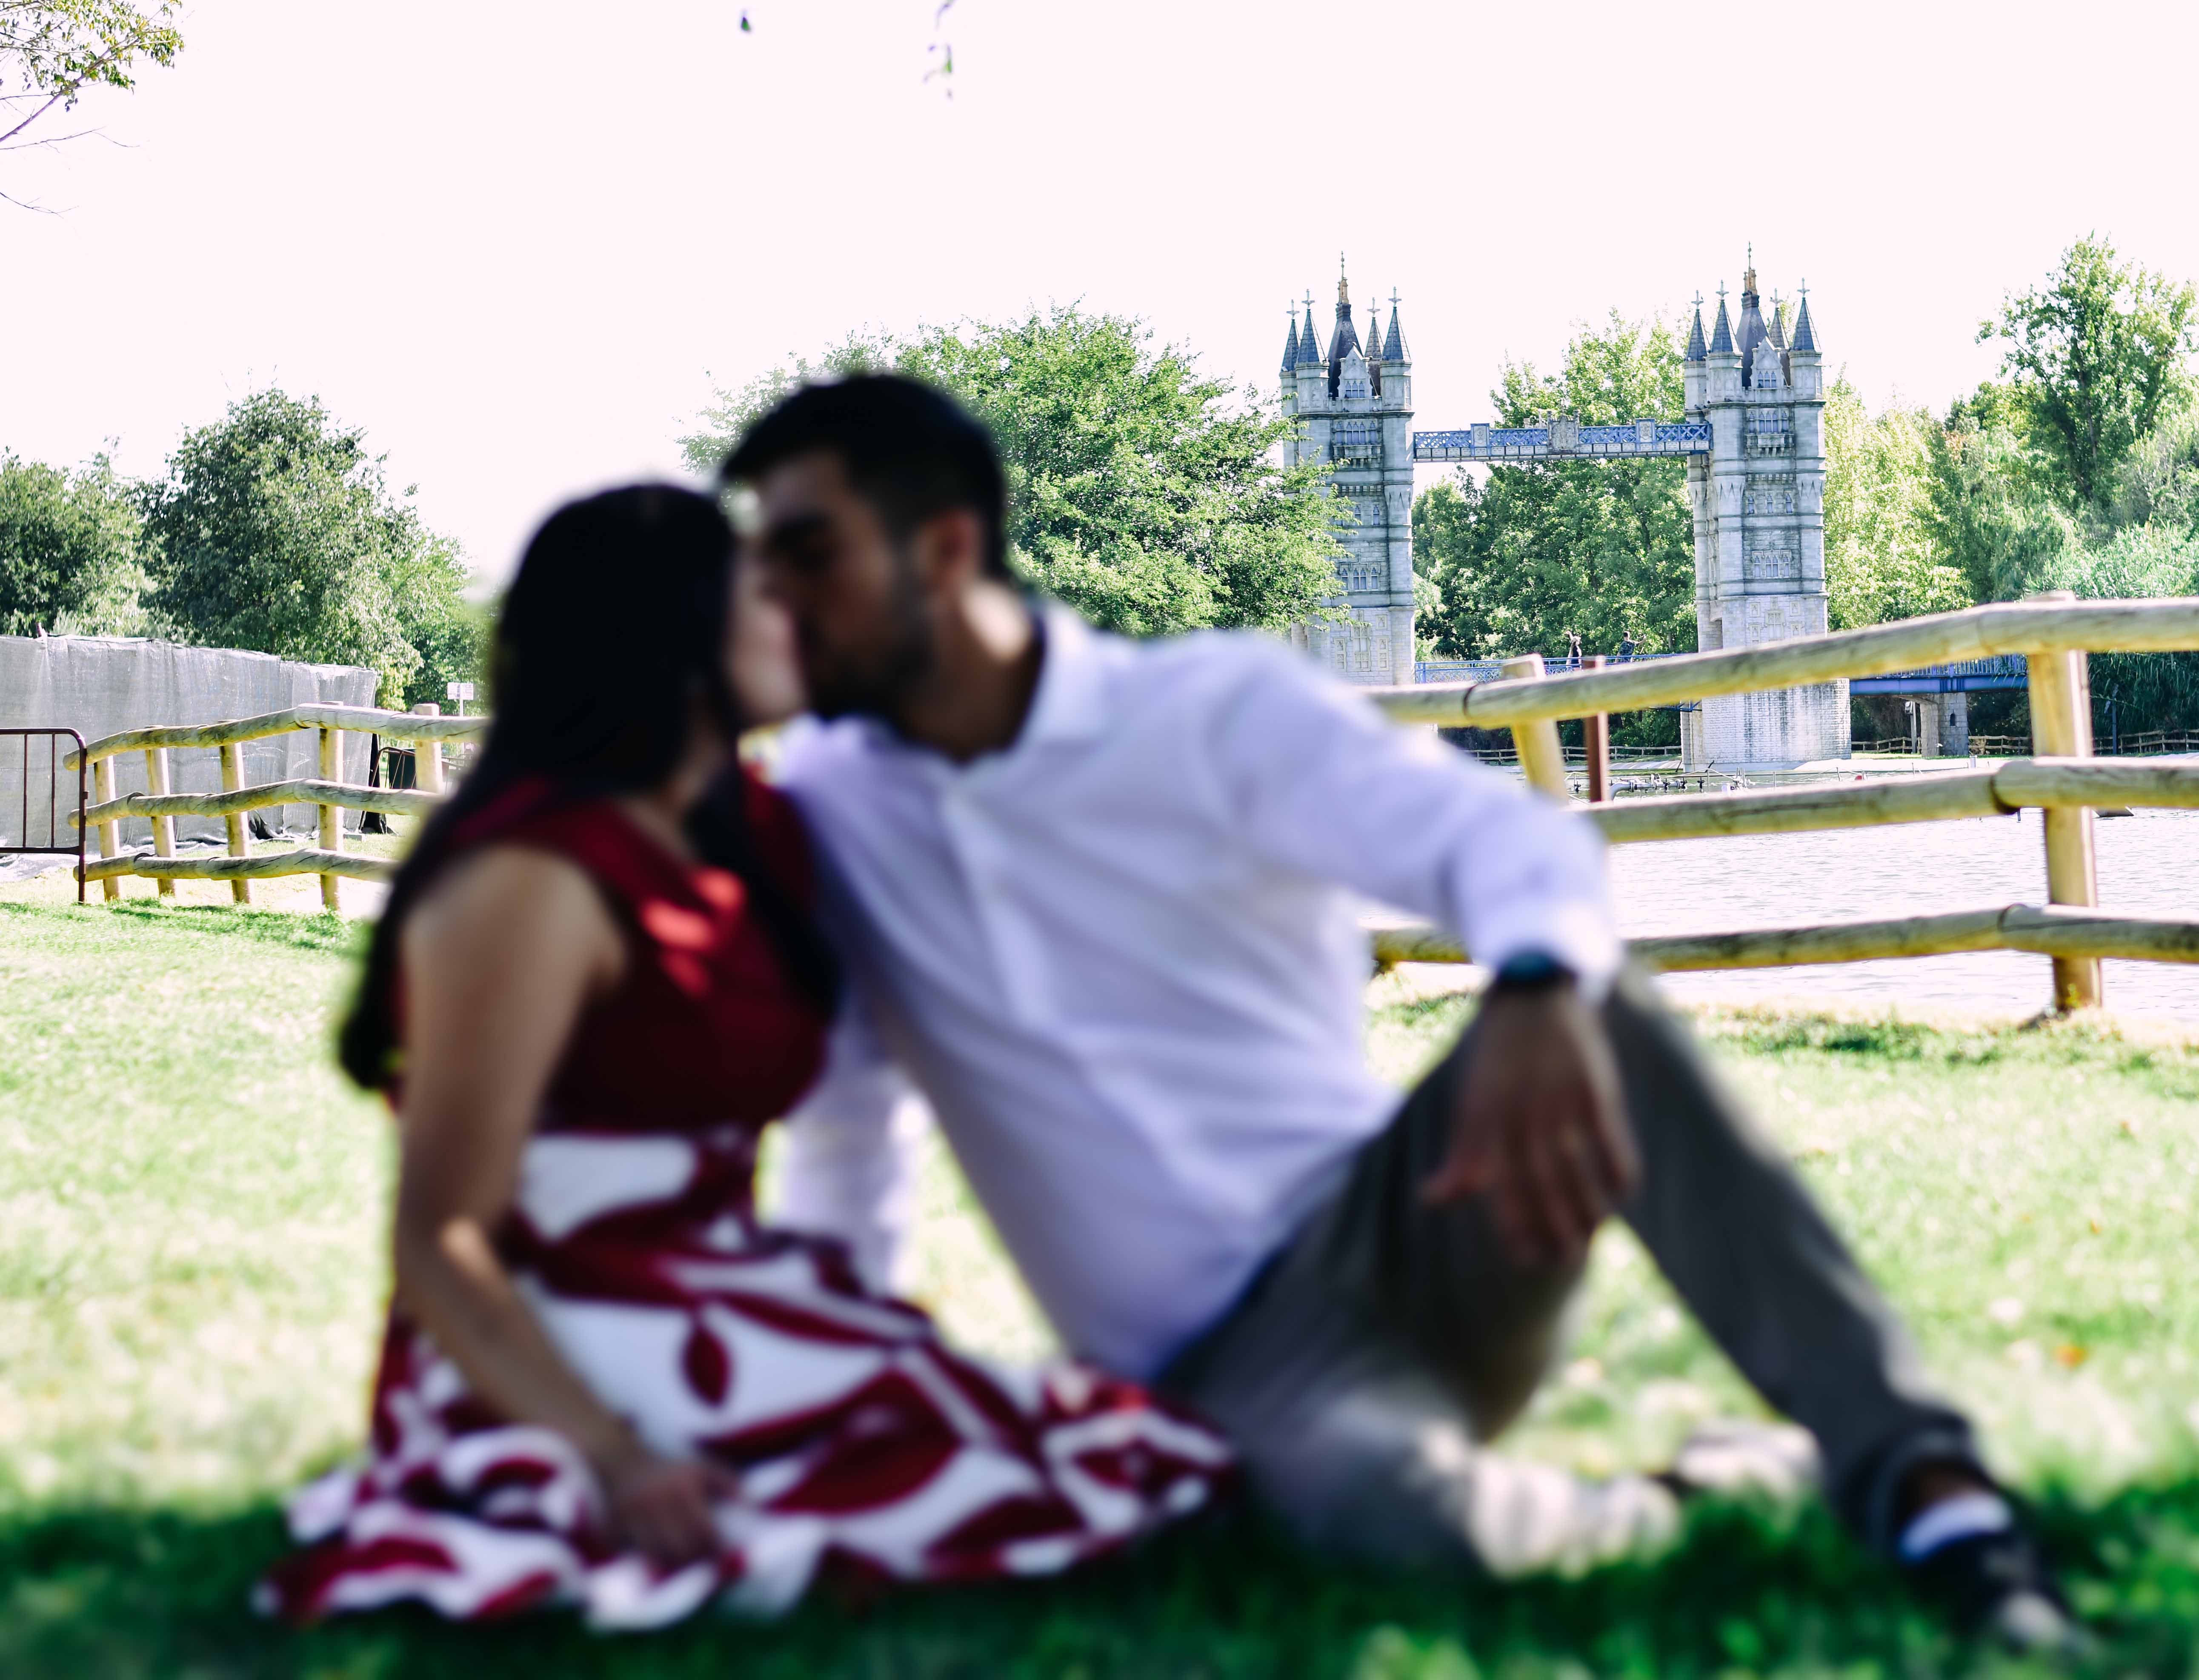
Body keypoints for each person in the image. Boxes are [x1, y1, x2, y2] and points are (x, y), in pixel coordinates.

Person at [733, 377, 2078, 1651]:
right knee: (1384, 1523)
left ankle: (1930, 1489)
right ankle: (1713, 1493)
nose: (770, 595)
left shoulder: (1211, 712)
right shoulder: (832, 811)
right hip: (1236, 1380)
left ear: (947, 548)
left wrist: (1540, 986)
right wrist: (836, 1414)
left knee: (1598, 1004)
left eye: (808, 552)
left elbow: (1507, 848)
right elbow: (853, 1137)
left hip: (1423, 1218)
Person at [260, 486, 1229, 1630]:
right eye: (770, 598)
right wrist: (617, 1460)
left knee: (1130, 1456)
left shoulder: (748, 835)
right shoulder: (533, 875)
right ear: (673, 635)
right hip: (552, 1331)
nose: (802, 620)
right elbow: (441, 1237)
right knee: (1042, 1489)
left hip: (723, 1290)